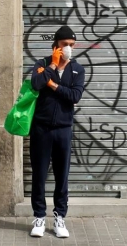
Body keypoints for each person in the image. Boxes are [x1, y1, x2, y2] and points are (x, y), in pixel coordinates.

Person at [28, 25, 86, 238]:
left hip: (63, 129)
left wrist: (52, 85)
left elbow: (74, 96)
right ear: (55, 46)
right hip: (41, 129)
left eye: (71, 45)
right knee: (39, 175)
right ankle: (39, 217)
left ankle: (60, 217)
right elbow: (35, 84)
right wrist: (52, 64)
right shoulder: (42, 64)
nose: (68, 49)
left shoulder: (78, 69)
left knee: (62, 176)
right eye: (64, 45)